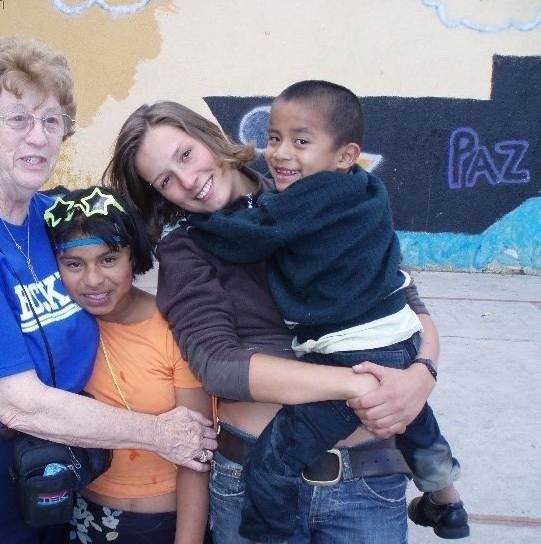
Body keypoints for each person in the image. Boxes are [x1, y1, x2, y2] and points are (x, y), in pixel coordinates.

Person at [0, 37, 215, 544]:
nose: (38, 138)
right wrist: (158, 432)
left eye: (52, 121)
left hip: (51, 459)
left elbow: (101, 292)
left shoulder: (51, 218)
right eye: (17, 119)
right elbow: (16, 402)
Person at [102, 100, 445, 543]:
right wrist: (357, 385)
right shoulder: (187, 250)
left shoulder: (317, 191)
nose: (187, 181)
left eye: (185, 154)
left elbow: (406, 301)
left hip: (366, 480)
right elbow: (219, 366)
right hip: (250, 485)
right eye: (165, 180)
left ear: (210, 138)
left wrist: (422, 374)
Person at [185, 80, 467, 541]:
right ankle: (447, 503)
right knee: (412, 417)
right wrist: (422, 369)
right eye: (274, 138)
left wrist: (200, 226)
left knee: (272, 461)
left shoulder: (309, 200)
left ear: (344, 155)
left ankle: (266, 531)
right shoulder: (367, 191)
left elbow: (254, 234)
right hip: (399, 341)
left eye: (301, 141)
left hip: (349, 355)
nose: (279, 153)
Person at [44, 185, 211, 543]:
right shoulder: (55, 328)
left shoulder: (173, 328)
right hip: (81, 520)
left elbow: (197, 450)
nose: (92, 280)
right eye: (74, 264)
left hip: (165, 524)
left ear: (132, 255)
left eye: (108, 259)